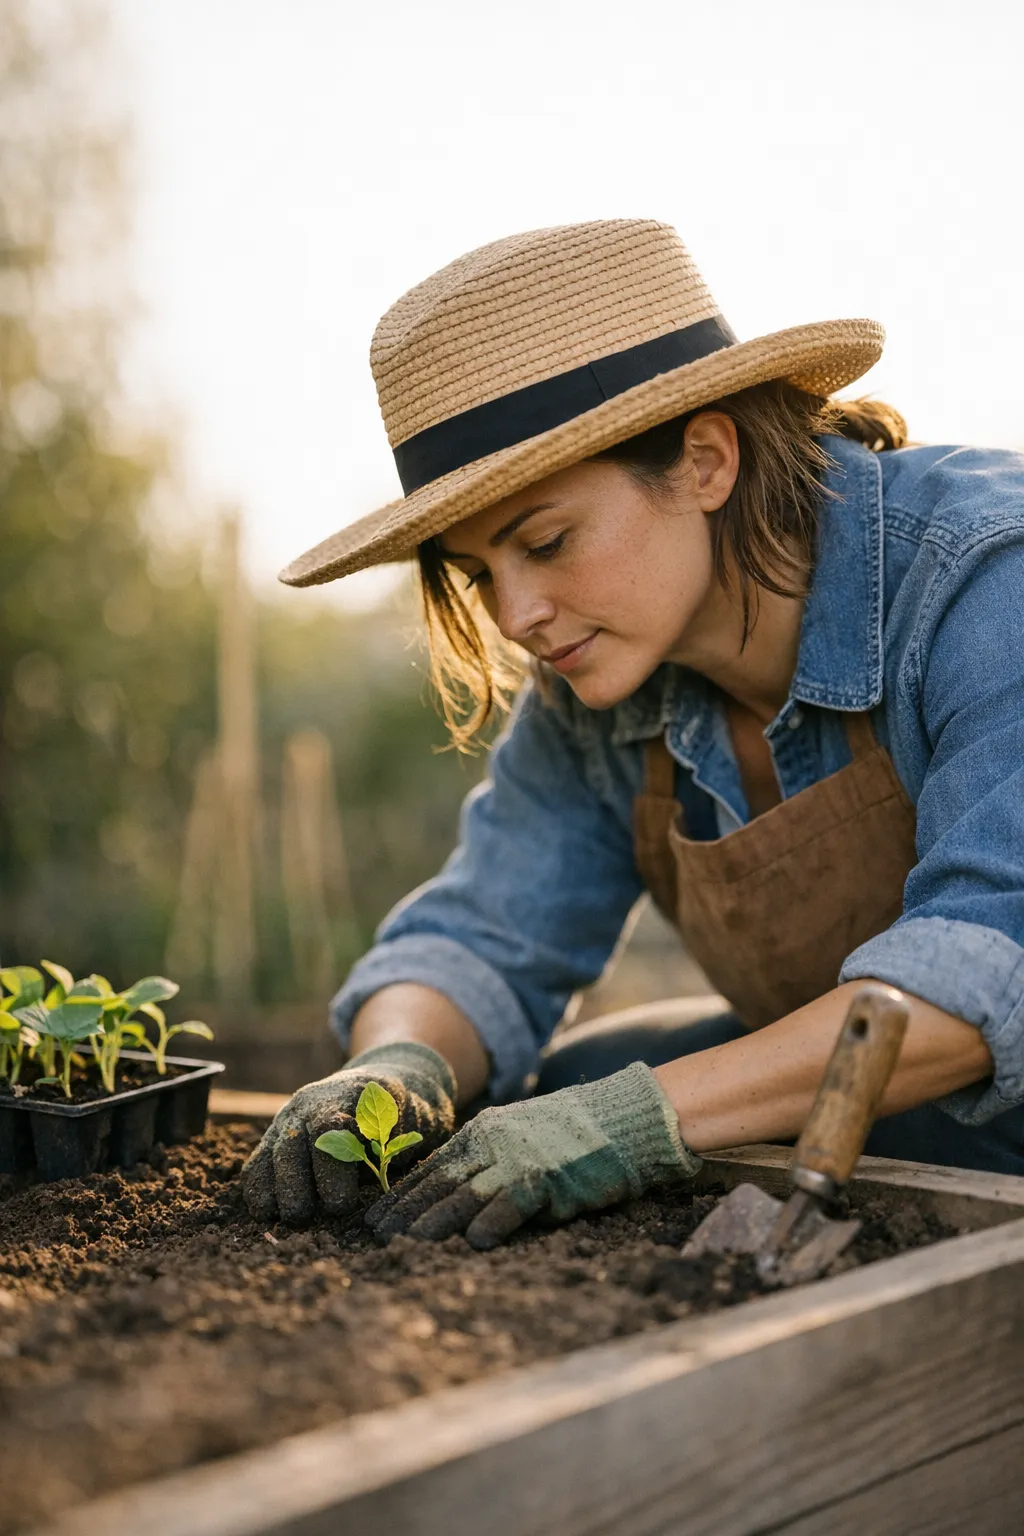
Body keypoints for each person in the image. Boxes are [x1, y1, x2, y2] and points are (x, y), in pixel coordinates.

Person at [241, 219, 1024, 1248]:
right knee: (543, 1088)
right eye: (481, 572)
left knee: (601, 1107)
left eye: (545, 541)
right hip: (869, 1095)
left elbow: (984, 969)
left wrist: (630, 1124)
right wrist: (394, 1068)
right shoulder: (598, 688)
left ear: (704, 459)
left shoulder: (982, 579)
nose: (516, 614)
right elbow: (483, 935)